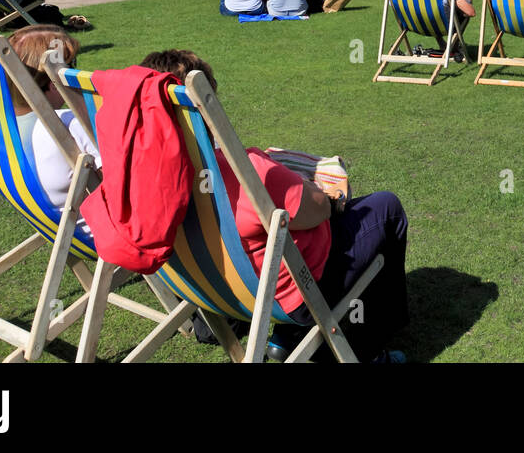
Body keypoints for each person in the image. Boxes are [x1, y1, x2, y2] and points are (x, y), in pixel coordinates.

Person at [138, 48, 409, 363]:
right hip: (288, 297)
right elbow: (319, 207)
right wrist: (317, 192)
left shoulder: (142, 181)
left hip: (218, 293)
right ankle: (368, 347)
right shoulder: (245, 172)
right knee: (385, 208)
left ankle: (288, 338)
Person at [7, 26, 101, 215]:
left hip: (54, 227)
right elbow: (122, 191)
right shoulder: (69, 123)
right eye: (71, 66)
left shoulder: (1, 128)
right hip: (98, 235)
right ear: (55, 83)